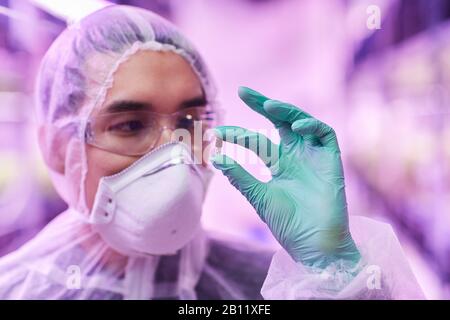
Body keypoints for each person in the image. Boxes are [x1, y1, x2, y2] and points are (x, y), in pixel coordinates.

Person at [0, 5, 424, 299]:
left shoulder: (262, 286)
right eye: (130, 126)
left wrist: (337, 271)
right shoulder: (16, 289)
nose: (174, 151)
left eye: (189, 123)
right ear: (58, 150)